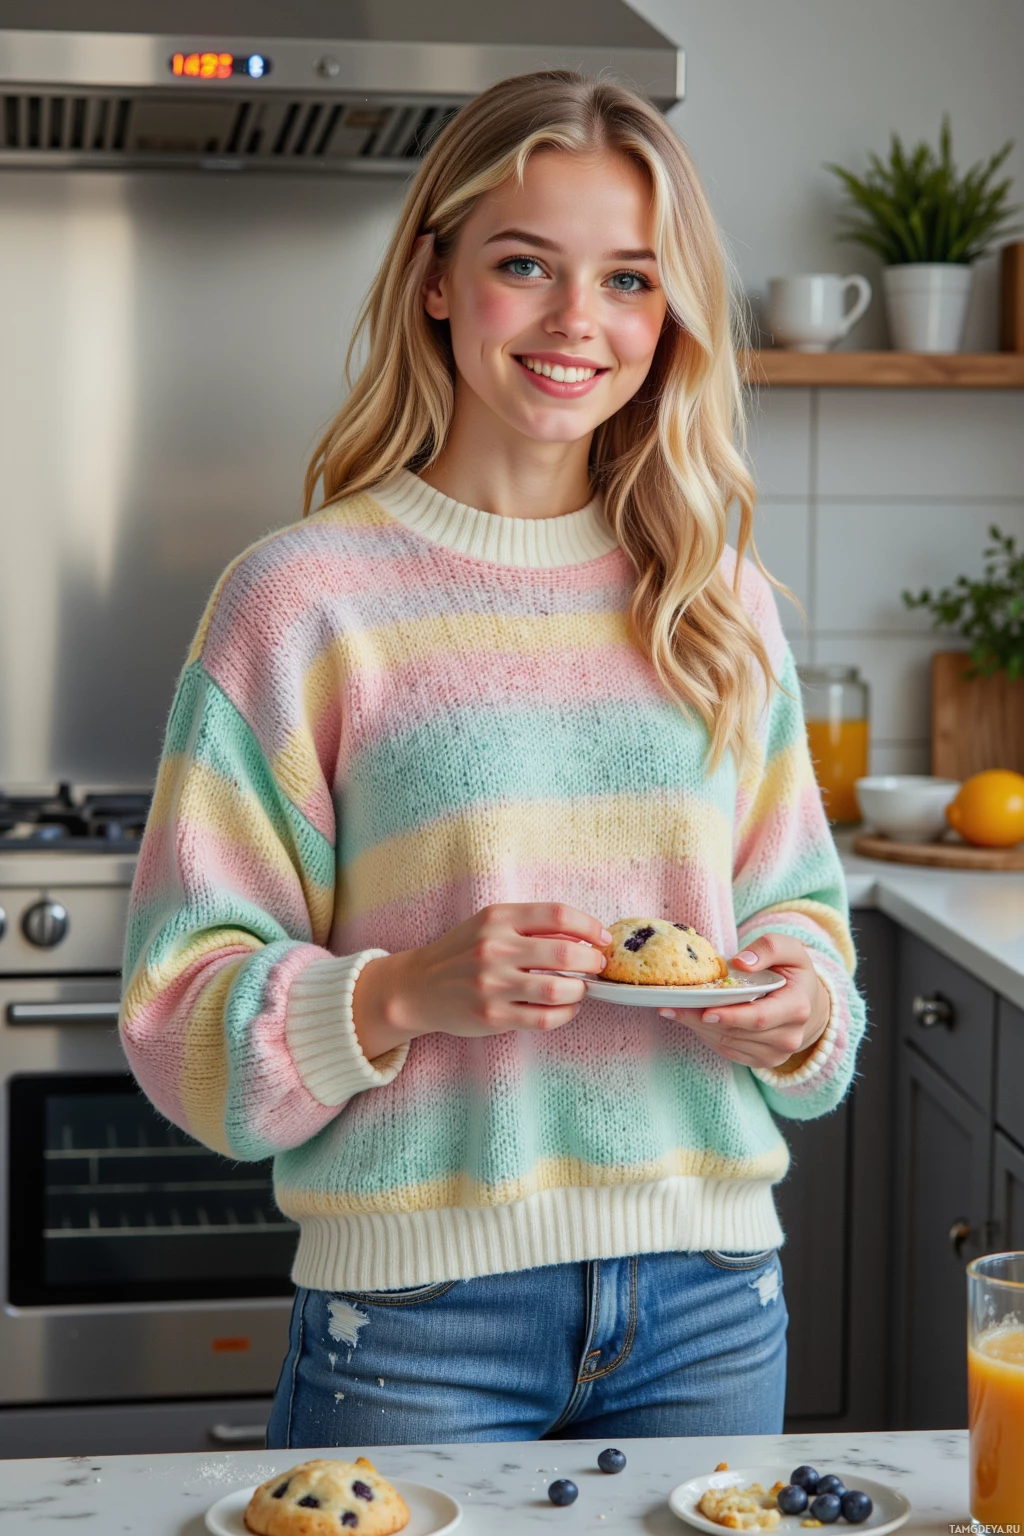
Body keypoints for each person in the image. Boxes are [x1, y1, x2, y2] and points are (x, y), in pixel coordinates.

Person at [119, 70, 866, 1448]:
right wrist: (397, 993)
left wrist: (799, 1008)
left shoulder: (718, 597)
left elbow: (799, 922)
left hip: (710, 1302)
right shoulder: (301, 599)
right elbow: (178, 1015)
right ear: (439, 280)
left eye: (631, 280)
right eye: (527, 264)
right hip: (415, 1320)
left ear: (672, 314)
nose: (581, 322)